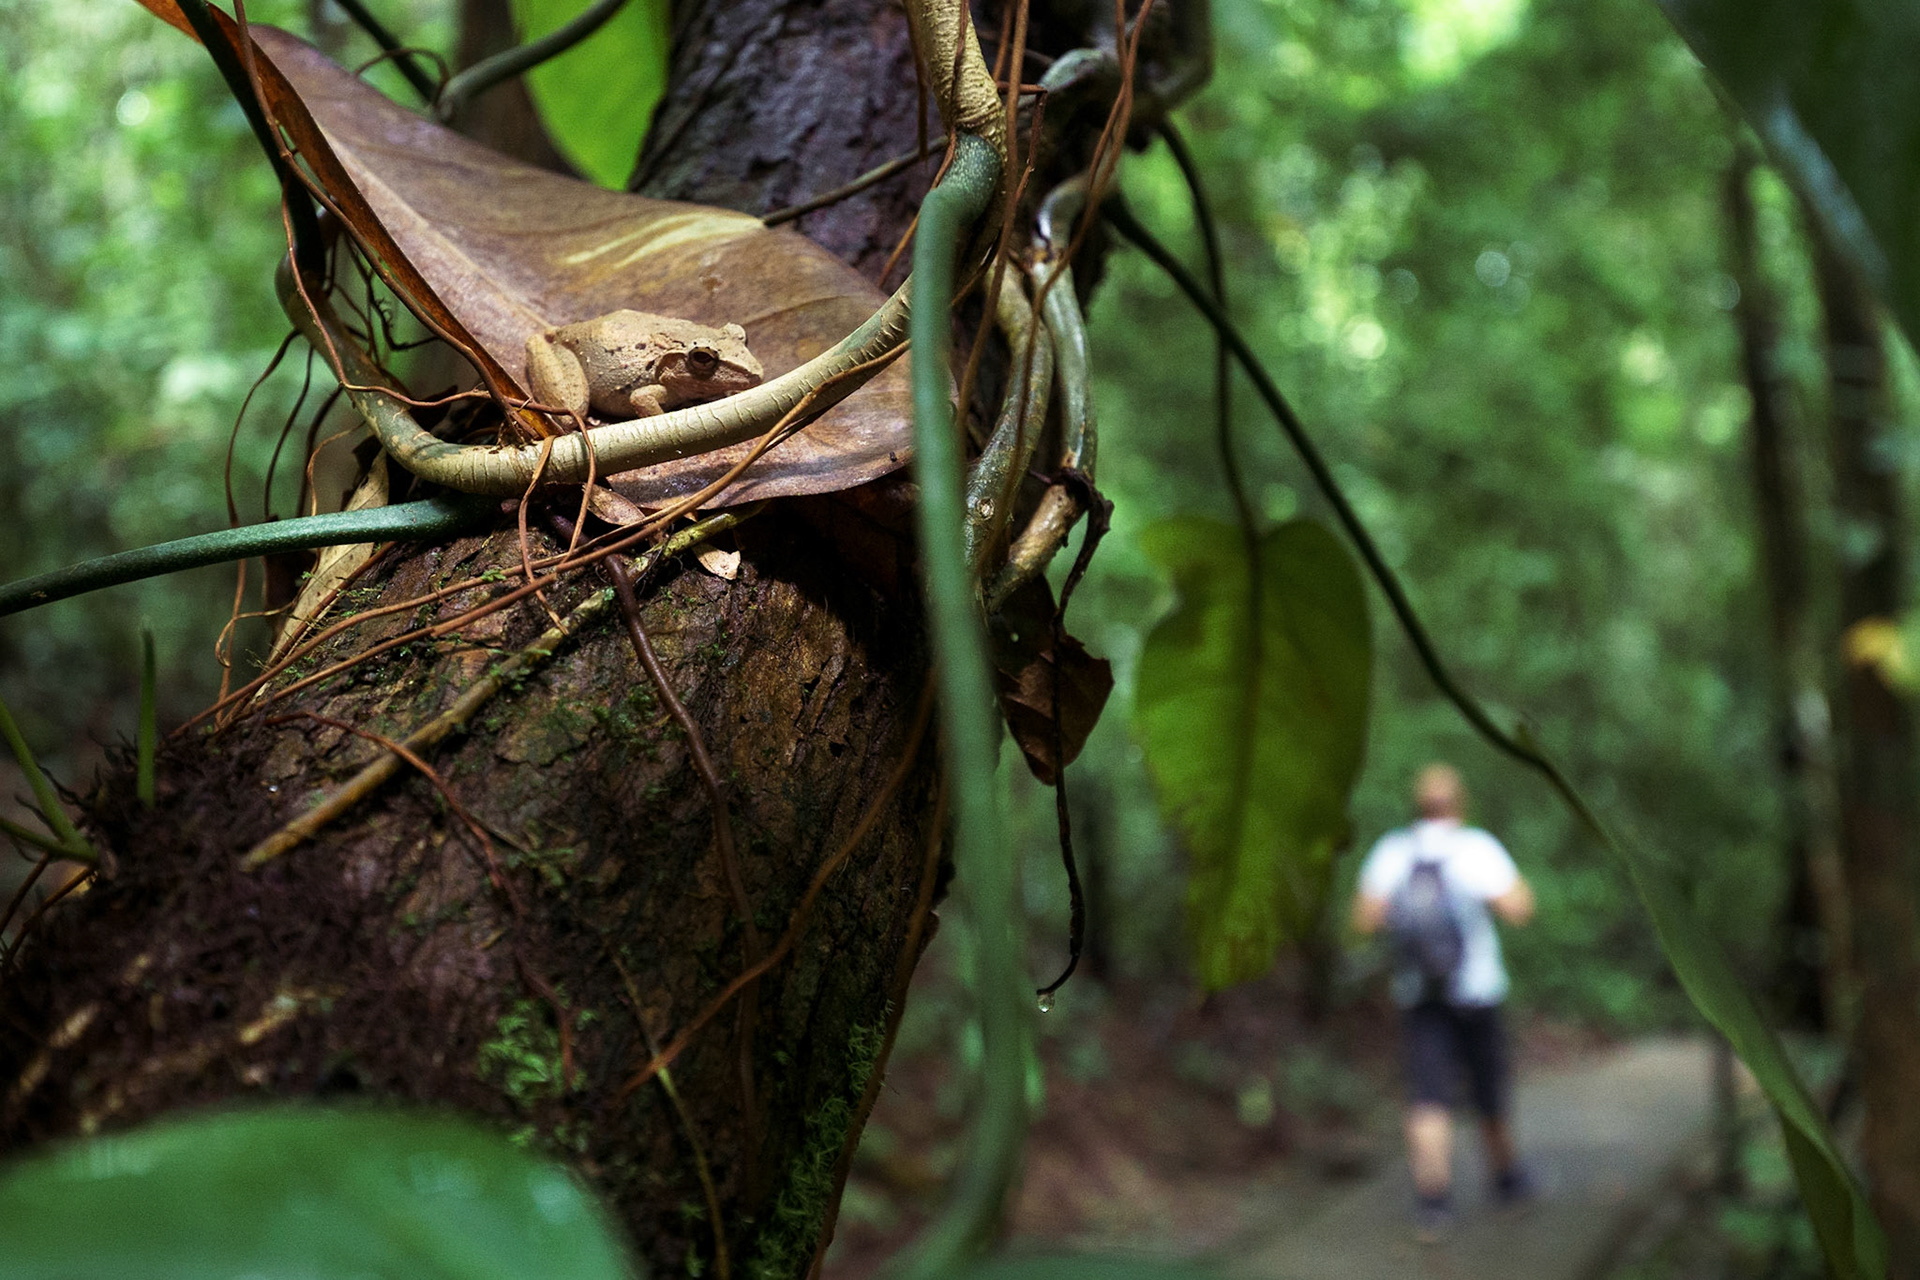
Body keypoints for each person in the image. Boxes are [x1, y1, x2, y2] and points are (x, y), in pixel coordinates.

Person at [1351, 763, 1536, 1241]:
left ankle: (1433, 1204)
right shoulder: (1476, 849)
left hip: (1420, 996)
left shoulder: (1394, 851)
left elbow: (1364, 918)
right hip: (1477, 992)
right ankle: (1508, 1181)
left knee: (1428, 1097)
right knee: (1489, 1090)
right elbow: (1519, 909)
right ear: (1460, 803)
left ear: (1417, 805)